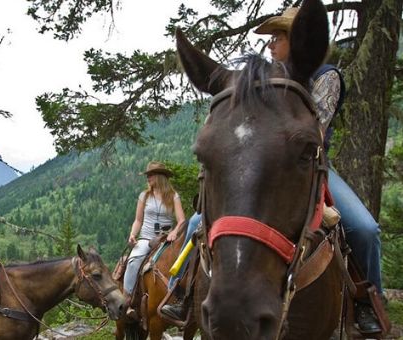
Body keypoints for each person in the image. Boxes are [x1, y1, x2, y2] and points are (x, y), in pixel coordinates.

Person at [163, 8, 384, 334]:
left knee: (365, 229)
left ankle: (368, 302)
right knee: (197, 221)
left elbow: (316, 127)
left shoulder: (325, 76)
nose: (271, 44)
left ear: (299, 39)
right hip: (255, 164)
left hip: (308, 163)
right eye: (270, 38)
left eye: (278, 37)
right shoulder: (255, 80)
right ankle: (181, 289)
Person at [123, 161, 185, 317]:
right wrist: (132, 234)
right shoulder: (144, 196)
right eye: (147, 175)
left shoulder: (173, 196)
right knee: (133, 260)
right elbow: (138, 220)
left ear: (160, 176)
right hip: (146, 237)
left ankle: (181, 300)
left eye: (150, 175)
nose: (148, 178)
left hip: (167, 239)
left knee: (182, 261)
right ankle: (128, 300)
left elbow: (182, 221)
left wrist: (175, 232)